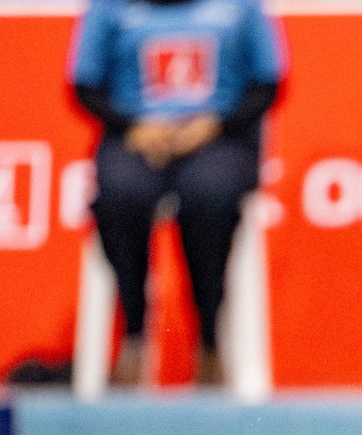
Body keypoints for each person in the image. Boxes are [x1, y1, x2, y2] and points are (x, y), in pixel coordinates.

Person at [69, 0, 286, 388]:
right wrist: (133, 127)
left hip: (218, 135)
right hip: (136, 135)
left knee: (210, 197)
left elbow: (267, 84)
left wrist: (214, 125)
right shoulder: (109, 8)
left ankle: (209, 338)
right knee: (121, 196)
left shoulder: (241, 7)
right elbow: (84, 85)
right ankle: (134, 334)